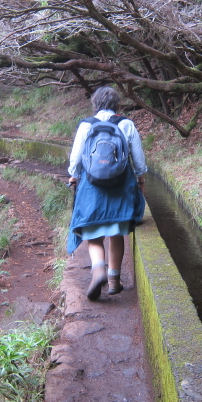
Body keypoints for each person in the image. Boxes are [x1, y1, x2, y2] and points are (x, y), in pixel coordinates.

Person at [67, 86, 147, 300]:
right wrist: (140, 179)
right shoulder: (126, 124)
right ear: (116, 105)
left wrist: (73, 175)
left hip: (92, 188)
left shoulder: (86, 125)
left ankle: (99, 269)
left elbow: (76, 158)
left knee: (93, 234)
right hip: (121, 187)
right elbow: (138, 160)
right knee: (116, 232)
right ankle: (114, 279)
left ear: (95, 104)